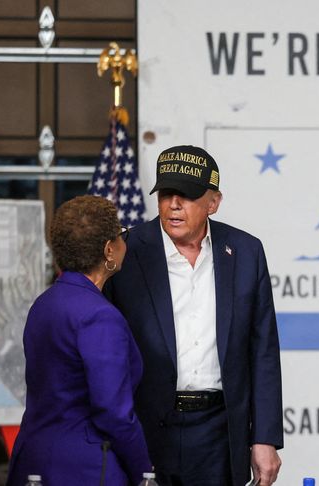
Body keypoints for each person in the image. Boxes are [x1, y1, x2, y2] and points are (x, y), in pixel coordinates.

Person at [105, 145, 283, 486]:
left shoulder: (245, 252)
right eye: (166, 193)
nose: (173, 204)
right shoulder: (125, 252)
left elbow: (263, 352)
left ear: (213, 202)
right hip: (145, 428)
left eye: (186, 195)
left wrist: (265, 438)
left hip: (219, 431)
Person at [6, 195, 151, 486]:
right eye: (121, 234)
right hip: (84, 468)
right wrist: (144, 472)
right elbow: (114, 414)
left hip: (32, 458)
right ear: (109, 250)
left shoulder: (44, 303)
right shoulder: (100, 316)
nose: (125, 242)